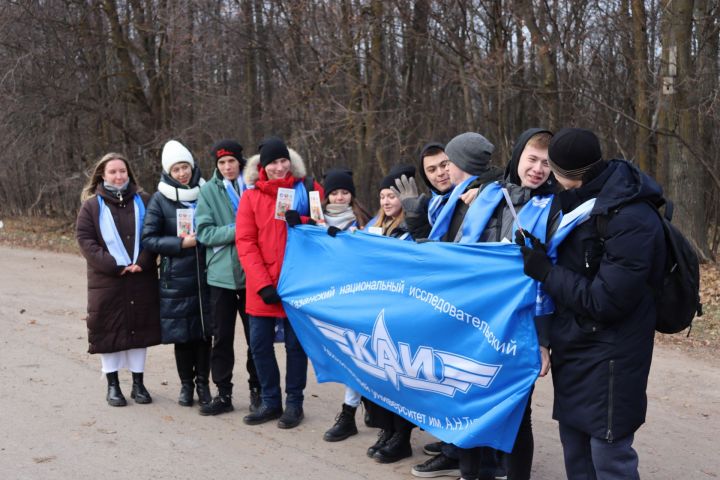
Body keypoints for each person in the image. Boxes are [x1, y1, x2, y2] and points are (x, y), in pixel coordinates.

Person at [516, 128, 666, 480]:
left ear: (567, 174)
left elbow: (606, 301)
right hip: (576, 346)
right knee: (575, 448)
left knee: (608, 455)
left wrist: (546, 272)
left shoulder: (631, 217)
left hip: (613, 355)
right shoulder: (578, 200)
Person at [412, 129, 558, 480]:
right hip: (472, 320)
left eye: (546, 163)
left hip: (519, 326)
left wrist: (543, 340)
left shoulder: (556, 208)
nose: (537, 169)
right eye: (532, 159)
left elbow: (551, 281)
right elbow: (454, 251)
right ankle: (471, 473)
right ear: (518, 156)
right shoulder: (487, 196)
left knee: (516, 413)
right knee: (466, 402)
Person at [235, 136, 325, 429]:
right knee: (259, 345)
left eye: (283, 160)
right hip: (262, 286)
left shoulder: (306, 189)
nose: (279, 167)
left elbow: (322, 227)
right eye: (273, 162)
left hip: (297, 284)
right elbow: (246, 242)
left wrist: (305, 223)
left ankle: (294, 403)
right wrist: (262, 283)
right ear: (263, 166)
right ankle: (271, 401)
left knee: (295, 347)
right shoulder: (250, 196)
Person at [76, 152, 160, 407]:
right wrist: (113, 265)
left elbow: (154, 233)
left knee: (140, 330)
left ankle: (138, 383)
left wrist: (144, 261)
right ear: (103, 175)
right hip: (107, 279)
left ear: (129, 173)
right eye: (112, 172)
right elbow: (85, 240)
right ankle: (113, 385)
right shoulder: (91, 206)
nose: (118, 176)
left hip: (140, 276)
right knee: (108, 330)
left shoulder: (144, 200)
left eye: (122, 171)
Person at [141, 140, 212, 407]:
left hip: (207, 275)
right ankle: (186, 386)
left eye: (185, 167)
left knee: (205, 334)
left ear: (192, 167)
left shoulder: (207, 192)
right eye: (176, 170)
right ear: (168, 173)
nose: (182, 173)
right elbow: (149, 238)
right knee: (182, 336)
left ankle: (204, 384)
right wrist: (181, 244)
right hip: (176, 278)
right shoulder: (160, 199)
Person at [195, 139, 260, 416]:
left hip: (252, 275)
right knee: (221, 337)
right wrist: (239, 230)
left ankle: (259, 390)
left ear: (240, 162)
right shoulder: (209, 190)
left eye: (231, 161)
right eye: (221, 163)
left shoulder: (253, 186)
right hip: (221, 275)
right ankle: (223, 393)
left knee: (256, 338)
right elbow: (204, 233)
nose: (227, 167)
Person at [361, 164, 418, 464]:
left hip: (401, 312)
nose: (386, 201)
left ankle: (402, 435)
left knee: (398, 376)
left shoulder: (412, 228)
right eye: (382, 196)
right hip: (374, 309)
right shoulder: (374, 226)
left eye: (392, 195)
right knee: (376, 373)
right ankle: (385, 429)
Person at [319, 168, 372, 442]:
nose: (340, 197)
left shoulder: (363, 220)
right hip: (327, 300)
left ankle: (349, 410)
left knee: (358, 353)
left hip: (357, 298)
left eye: (345, 192)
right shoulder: (316, 220)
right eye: (334, 192)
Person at [400, 142, 453, 239]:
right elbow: (427, 246)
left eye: (444, 165)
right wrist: (414, 219)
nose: (440, 173)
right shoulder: (428, 208)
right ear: (426, 176)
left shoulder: (469, 195)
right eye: (432, 170)